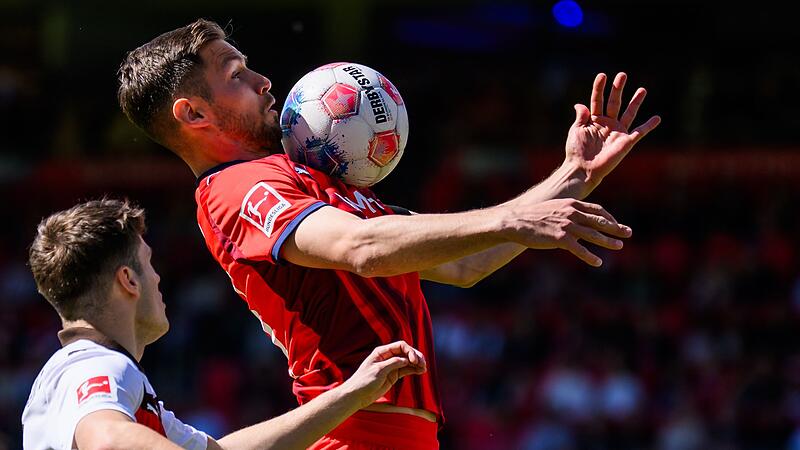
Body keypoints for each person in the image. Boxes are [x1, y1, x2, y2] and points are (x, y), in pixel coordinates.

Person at [117, 19, 660, 449]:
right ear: (193, 114)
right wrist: (510, 218)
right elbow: (361, 247)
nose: (263, 81)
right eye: (236, 74)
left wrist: (574, 176)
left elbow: (464, 264)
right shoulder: (235, 188)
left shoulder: (309, 179)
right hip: (354, 434)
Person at [22, 198, 426, 450]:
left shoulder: (90, 372)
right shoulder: (95, 365)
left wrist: (352, 393)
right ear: (128, 280)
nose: (158, 279)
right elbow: (107, 440)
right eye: (149, 265)